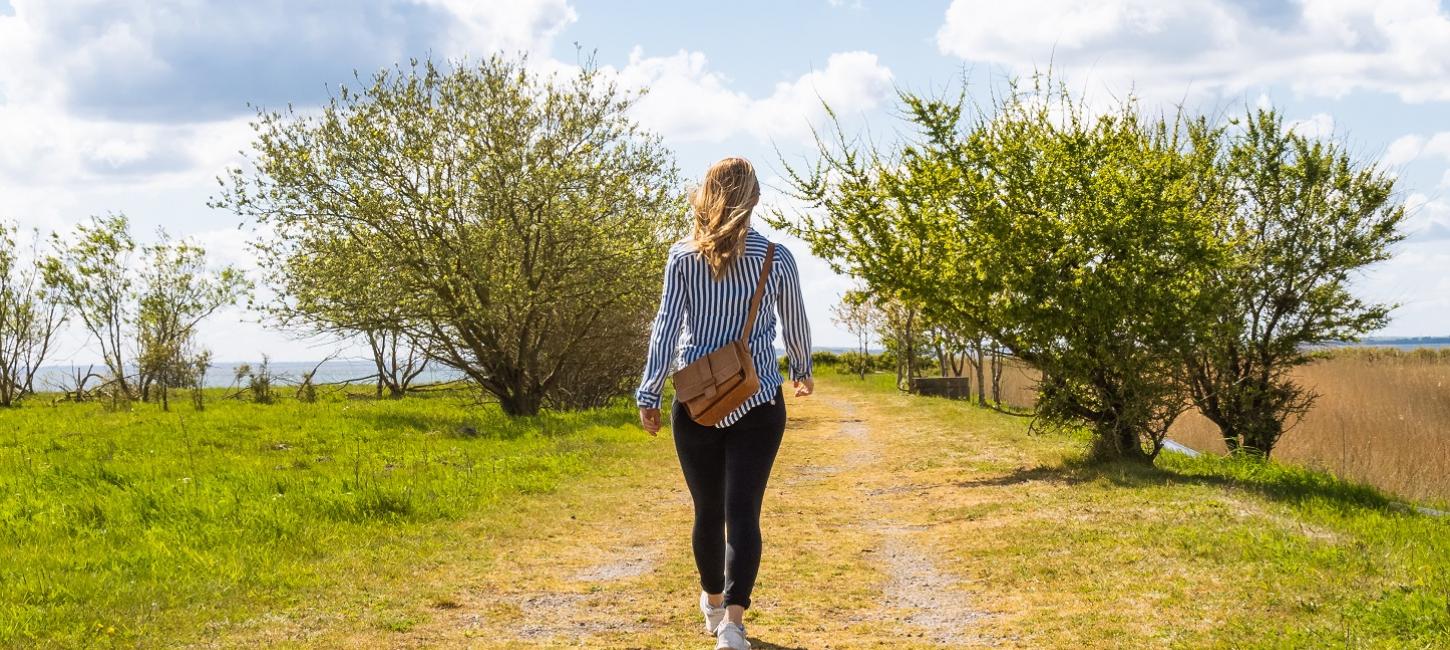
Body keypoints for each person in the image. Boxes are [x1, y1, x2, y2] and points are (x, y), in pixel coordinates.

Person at [636, 156, 814, 650]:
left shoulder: (682, 257)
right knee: (743, 511)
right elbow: (794, 321)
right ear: (754, 200)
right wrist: (801, 371)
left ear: (705, 195)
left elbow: (665, 330)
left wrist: (649, 391)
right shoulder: (776, 257)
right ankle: (732, 625)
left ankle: (716, 606)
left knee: (708, 510)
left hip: (694, 403)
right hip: (757, 400)